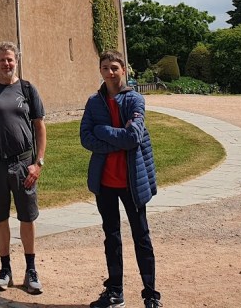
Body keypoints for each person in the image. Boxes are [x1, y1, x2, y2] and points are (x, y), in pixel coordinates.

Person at [80, 51, 163, 308]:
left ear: (123, 70)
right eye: (105, 67)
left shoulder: (135, 100)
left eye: (114, 67)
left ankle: (150, 294)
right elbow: (85, 138)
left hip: (131, 181)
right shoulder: (94, 102)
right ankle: (115, 291)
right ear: (101, 71)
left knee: (141, 236)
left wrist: (103, 131)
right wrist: (117, 142)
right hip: (105, 182)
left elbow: (133, 137)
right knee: (111, 236)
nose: (110, 72)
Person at [0, 41, 46, 295]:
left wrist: (38, 163)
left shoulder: (27, 89)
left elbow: (39, 127)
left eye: (10, 59)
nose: (6, 64)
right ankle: (5, 269)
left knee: (27, 217)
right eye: (2, 60)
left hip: (24, 163)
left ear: (17, 61)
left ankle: (31, 269)